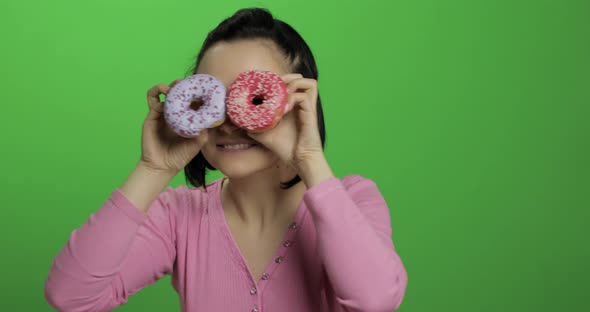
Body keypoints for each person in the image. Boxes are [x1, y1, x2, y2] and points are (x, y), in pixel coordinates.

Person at [44, 7, 408, 312]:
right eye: (212, 99)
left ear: (300, 101)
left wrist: (309, 158)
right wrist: (153, 170)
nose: (228, 122)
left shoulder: (353, 199)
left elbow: (375, 300)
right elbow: (71, 296)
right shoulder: (178, 217)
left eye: (253, 96)